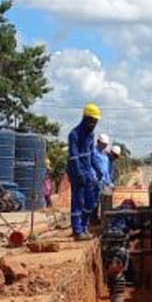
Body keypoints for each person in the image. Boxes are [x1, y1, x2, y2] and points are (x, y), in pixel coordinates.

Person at [66, 103, 101, 240]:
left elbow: (91, 154)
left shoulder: (90, 135)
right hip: (76, 171)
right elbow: (74, 156)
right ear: (85, 118)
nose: (93, 124)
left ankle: (84, 227)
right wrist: (78, 172)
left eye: (95, 121)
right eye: (92, 121)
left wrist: (97, 169)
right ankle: (77, 230)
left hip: (87, 171)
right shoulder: (74, 134)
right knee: (78, 201)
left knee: (91, 202)